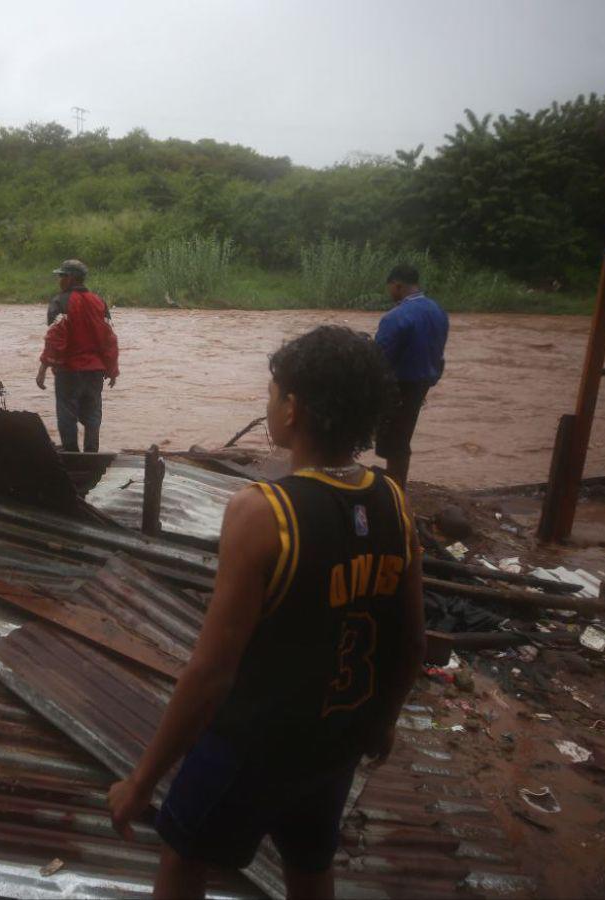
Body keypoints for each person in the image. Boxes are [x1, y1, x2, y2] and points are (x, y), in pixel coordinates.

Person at [107, 326, 426, 900]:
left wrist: (140, 780)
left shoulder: (263, 511)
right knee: (309, 865)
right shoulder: (393, 501)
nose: (270, 403)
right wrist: (381, 723)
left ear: (293, 408)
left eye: (274, 392)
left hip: (252, 746)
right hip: (336, 739)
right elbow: (410, 641)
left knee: (182, 856)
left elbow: (211, 672)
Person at [374, 264, 449, 488]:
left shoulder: (395, 317)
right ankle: (397, 483)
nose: (390, 293)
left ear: (397, 285)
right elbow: (438, 350)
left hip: (398, 385)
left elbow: (379, 358)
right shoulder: (438, 311)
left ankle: (395, 487)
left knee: (394, 439)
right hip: (423, 383)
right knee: (402, 434)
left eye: (391, 288)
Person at [35, 259, 119, 453]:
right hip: (95, 371)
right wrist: (112, 370)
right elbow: (109, 339)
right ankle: (92, 453)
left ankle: (71, 453)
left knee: (67, 413)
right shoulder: (99, 302)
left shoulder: (60, 302)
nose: (59, 280)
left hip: (69, 371)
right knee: (93, 414)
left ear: (71, 278)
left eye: (62, 276)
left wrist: (43, 369)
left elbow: (55, 338)